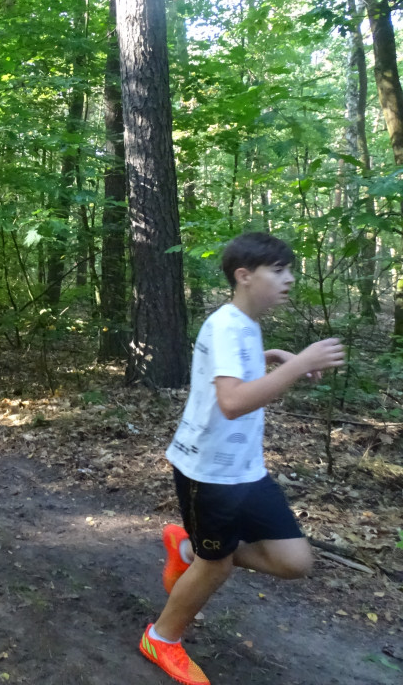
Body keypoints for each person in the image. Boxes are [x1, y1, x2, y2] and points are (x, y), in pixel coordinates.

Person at [139, 232, 346, 685]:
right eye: (279, 270)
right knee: (218, 564)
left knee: (295, 561)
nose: (289, 278)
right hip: (208, 470)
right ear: (244, 275)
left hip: (246, 468)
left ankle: (190, 548)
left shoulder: (245, 325)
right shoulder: (227, 325)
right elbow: (232, 402)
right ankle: (162, 637)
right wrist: (297, 365)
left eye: (289, 268)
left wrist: (273, 357)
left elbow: (230, 371)